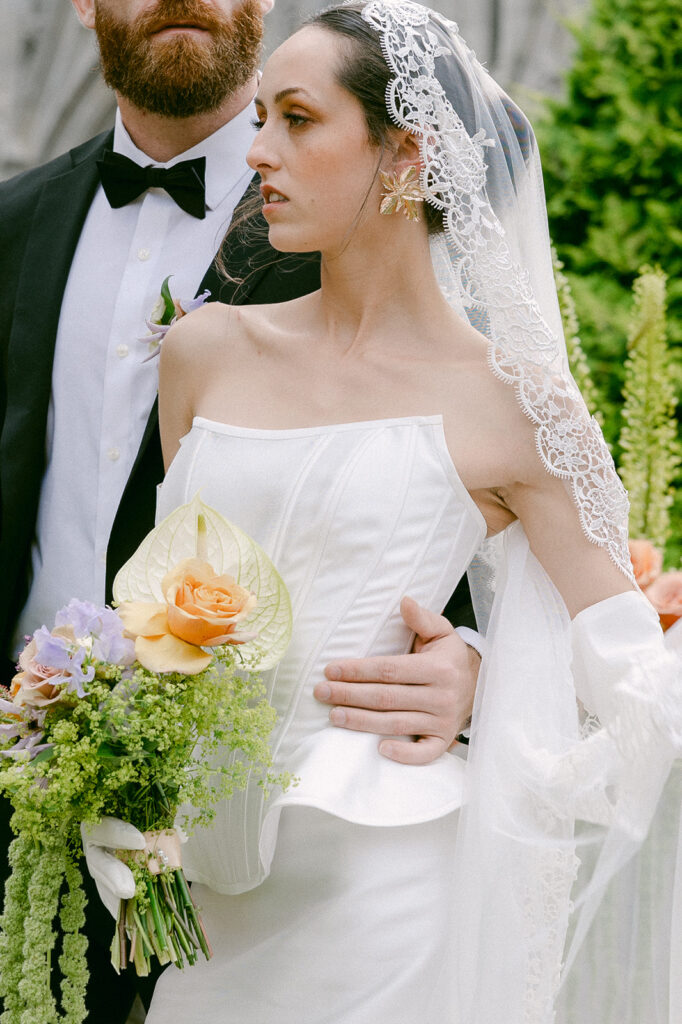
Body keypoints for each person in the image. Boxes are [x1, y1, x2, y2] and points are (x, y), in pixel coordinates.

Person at [84, 2, 681, 1021]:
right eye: (260, 117)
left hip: (389, 889)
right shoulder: (203, 354)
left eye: (298, 120)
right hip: (208, 887)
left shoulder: (515, 404)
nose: (259, 152)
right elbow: (168, 614)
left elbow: (635, 690)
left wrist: (492, 696)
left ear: (404, 154)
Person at [0, 1, 482, 1020]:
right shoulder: (14, 223)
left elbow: (450, 480)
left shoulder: (372, 219)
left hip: (279, 834)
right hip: (25, 792)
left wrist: (476, 668)